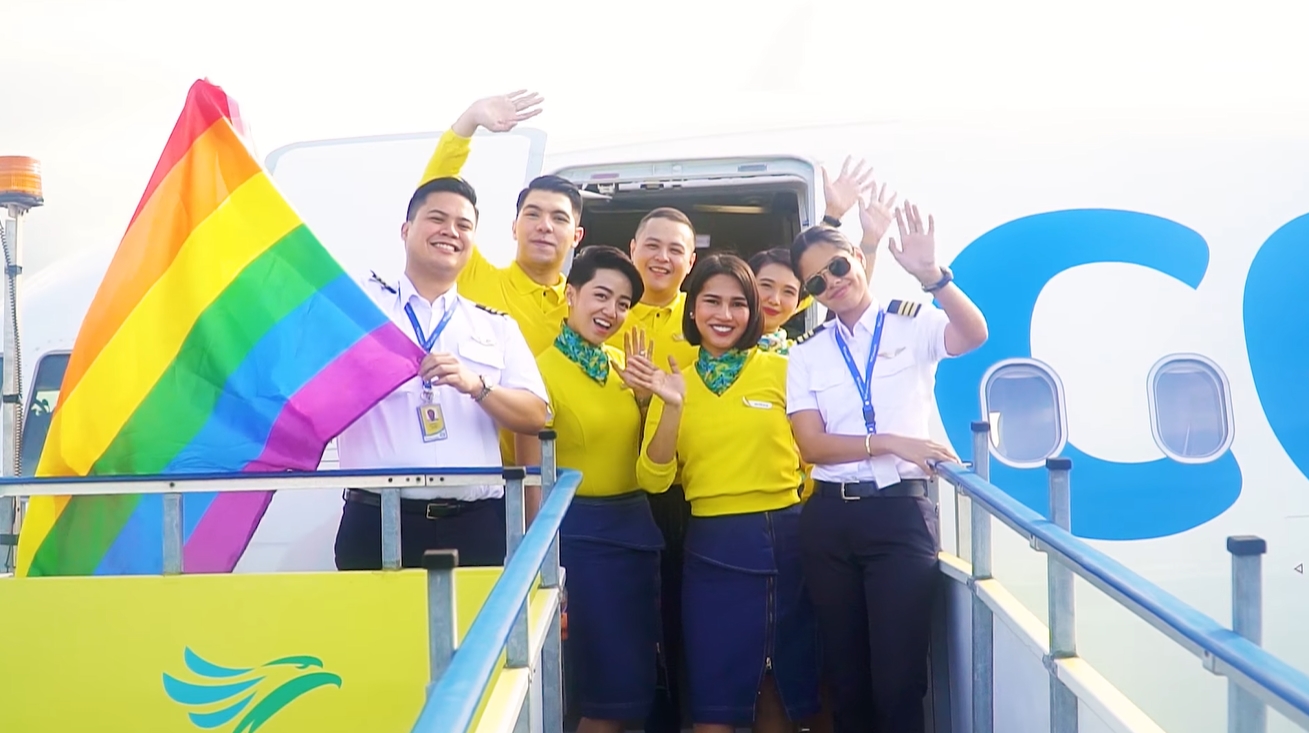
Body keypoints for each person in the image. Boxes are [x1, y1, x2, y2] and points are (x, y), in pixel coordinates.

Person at [785, 205, 988, 733]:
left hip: (900, 515)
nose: (831, 284)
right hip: (829, 520)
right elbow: (811, 446)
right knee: (846, 679)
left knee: (898, 680)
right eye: (815, 283)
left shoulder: (912, 322)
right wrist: (891, 441)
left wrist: (933, 278)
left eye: (836, 268)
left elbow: (973, 336)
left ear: (857, 257)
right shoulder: (806, 355)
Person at [628, 254, 820, 733]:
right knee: (715, 694)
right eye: (711, 301)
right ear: (692, 310)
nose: (724, 314)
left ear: (753, 313)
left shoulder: (783, 370)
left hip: (786, 538)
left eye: (738, 304)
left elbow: (813, 458)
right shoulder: (675, 381)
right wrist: (671, 406)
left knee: (781, 685)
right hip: (713, 543)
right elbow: (653, 479)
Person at [333, 177, 551, 570]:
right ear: (406, 230)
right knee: (377, 633)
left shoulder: (494, 326)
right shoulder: (360, 310)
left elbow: (536, 414)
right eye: (437, 218)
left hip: (474, 525)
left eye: (464, 225)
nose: (450, 231)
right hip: (377, 521)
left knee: (474, 633)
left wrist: (477, 386)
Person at [515, 245, 663, 733]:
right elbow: (532, 477)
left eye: (623, 303)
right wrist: (544, 566)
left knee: (635, 685)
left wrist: (646, 402)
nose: (611, 312)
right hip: (578, 537)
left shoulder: (626, 365)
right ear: (571, 294)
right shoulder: (536, 369)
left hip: (635, 532)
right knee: (601, 689)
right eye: (601, 296)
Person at [415, 90, 584, 464]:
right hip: (498, 488)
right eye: (533, 215)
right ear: (514, 227)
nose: (544, 226)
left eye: (559, 218)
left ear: (577, 235)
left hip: (580, 489)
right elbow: (435, 193)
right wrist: (469, 121)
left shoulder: (590, 308)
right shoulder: (478, 279)